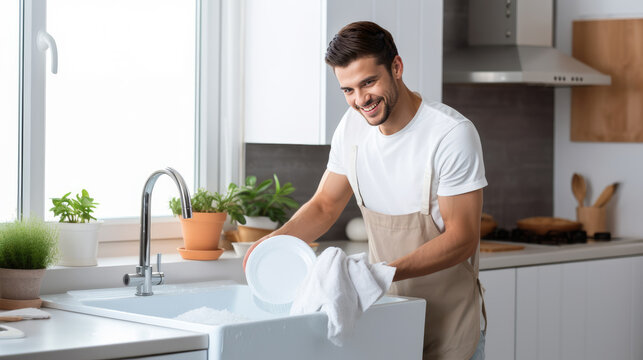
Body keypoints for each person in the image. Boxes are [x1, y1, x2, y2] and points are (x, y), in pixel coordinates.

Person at [244, 21, 487, 360]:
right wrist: (277, 242)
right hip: (384, 319)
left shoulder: (450, 135)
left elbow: (463, 238)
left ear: (396, 68)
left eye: (369, 82)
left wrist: (381, 272)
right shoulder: (353, 127)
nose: (360, 100)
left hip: (448, 325)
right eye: (348, 90)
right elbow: (325, 205)